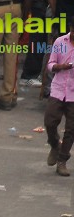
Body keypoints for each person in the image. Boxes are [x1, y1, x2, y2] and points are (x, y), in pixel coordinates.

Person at [45, 29, 74, 177]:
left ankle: (62, 161)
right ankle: (55, 144)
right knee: (50, 121)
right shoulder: (60, 42)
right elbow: (50, 64)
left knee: (71, 129)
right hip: (58, 88)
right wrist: (61, 67)